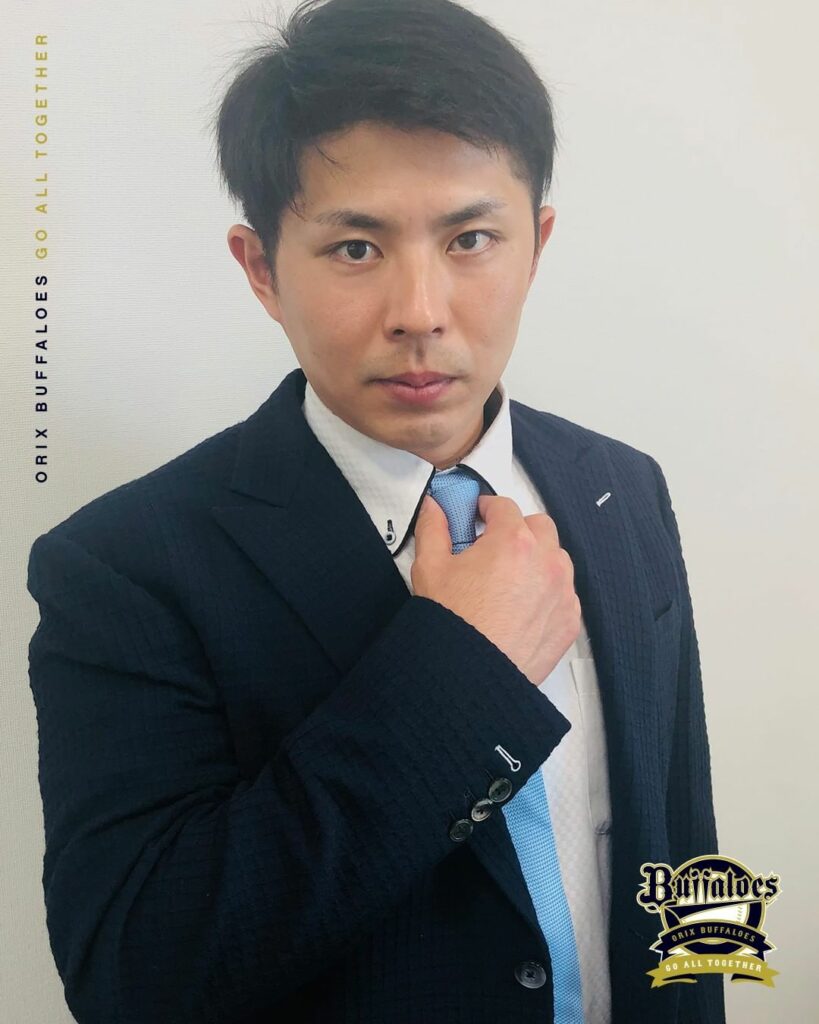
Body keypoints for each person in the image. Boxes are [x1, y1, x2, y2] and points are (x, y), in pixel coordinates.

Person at [25, 1, 724, 1021]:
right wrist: (465, 672)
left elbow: (683, 828)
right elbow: (133, 976)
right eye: (356, 249)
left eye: (471, 238)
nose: (420, 312)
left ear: (536, 244)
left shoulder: (623, 485)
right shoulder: (125, 566)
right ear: (261, 269)